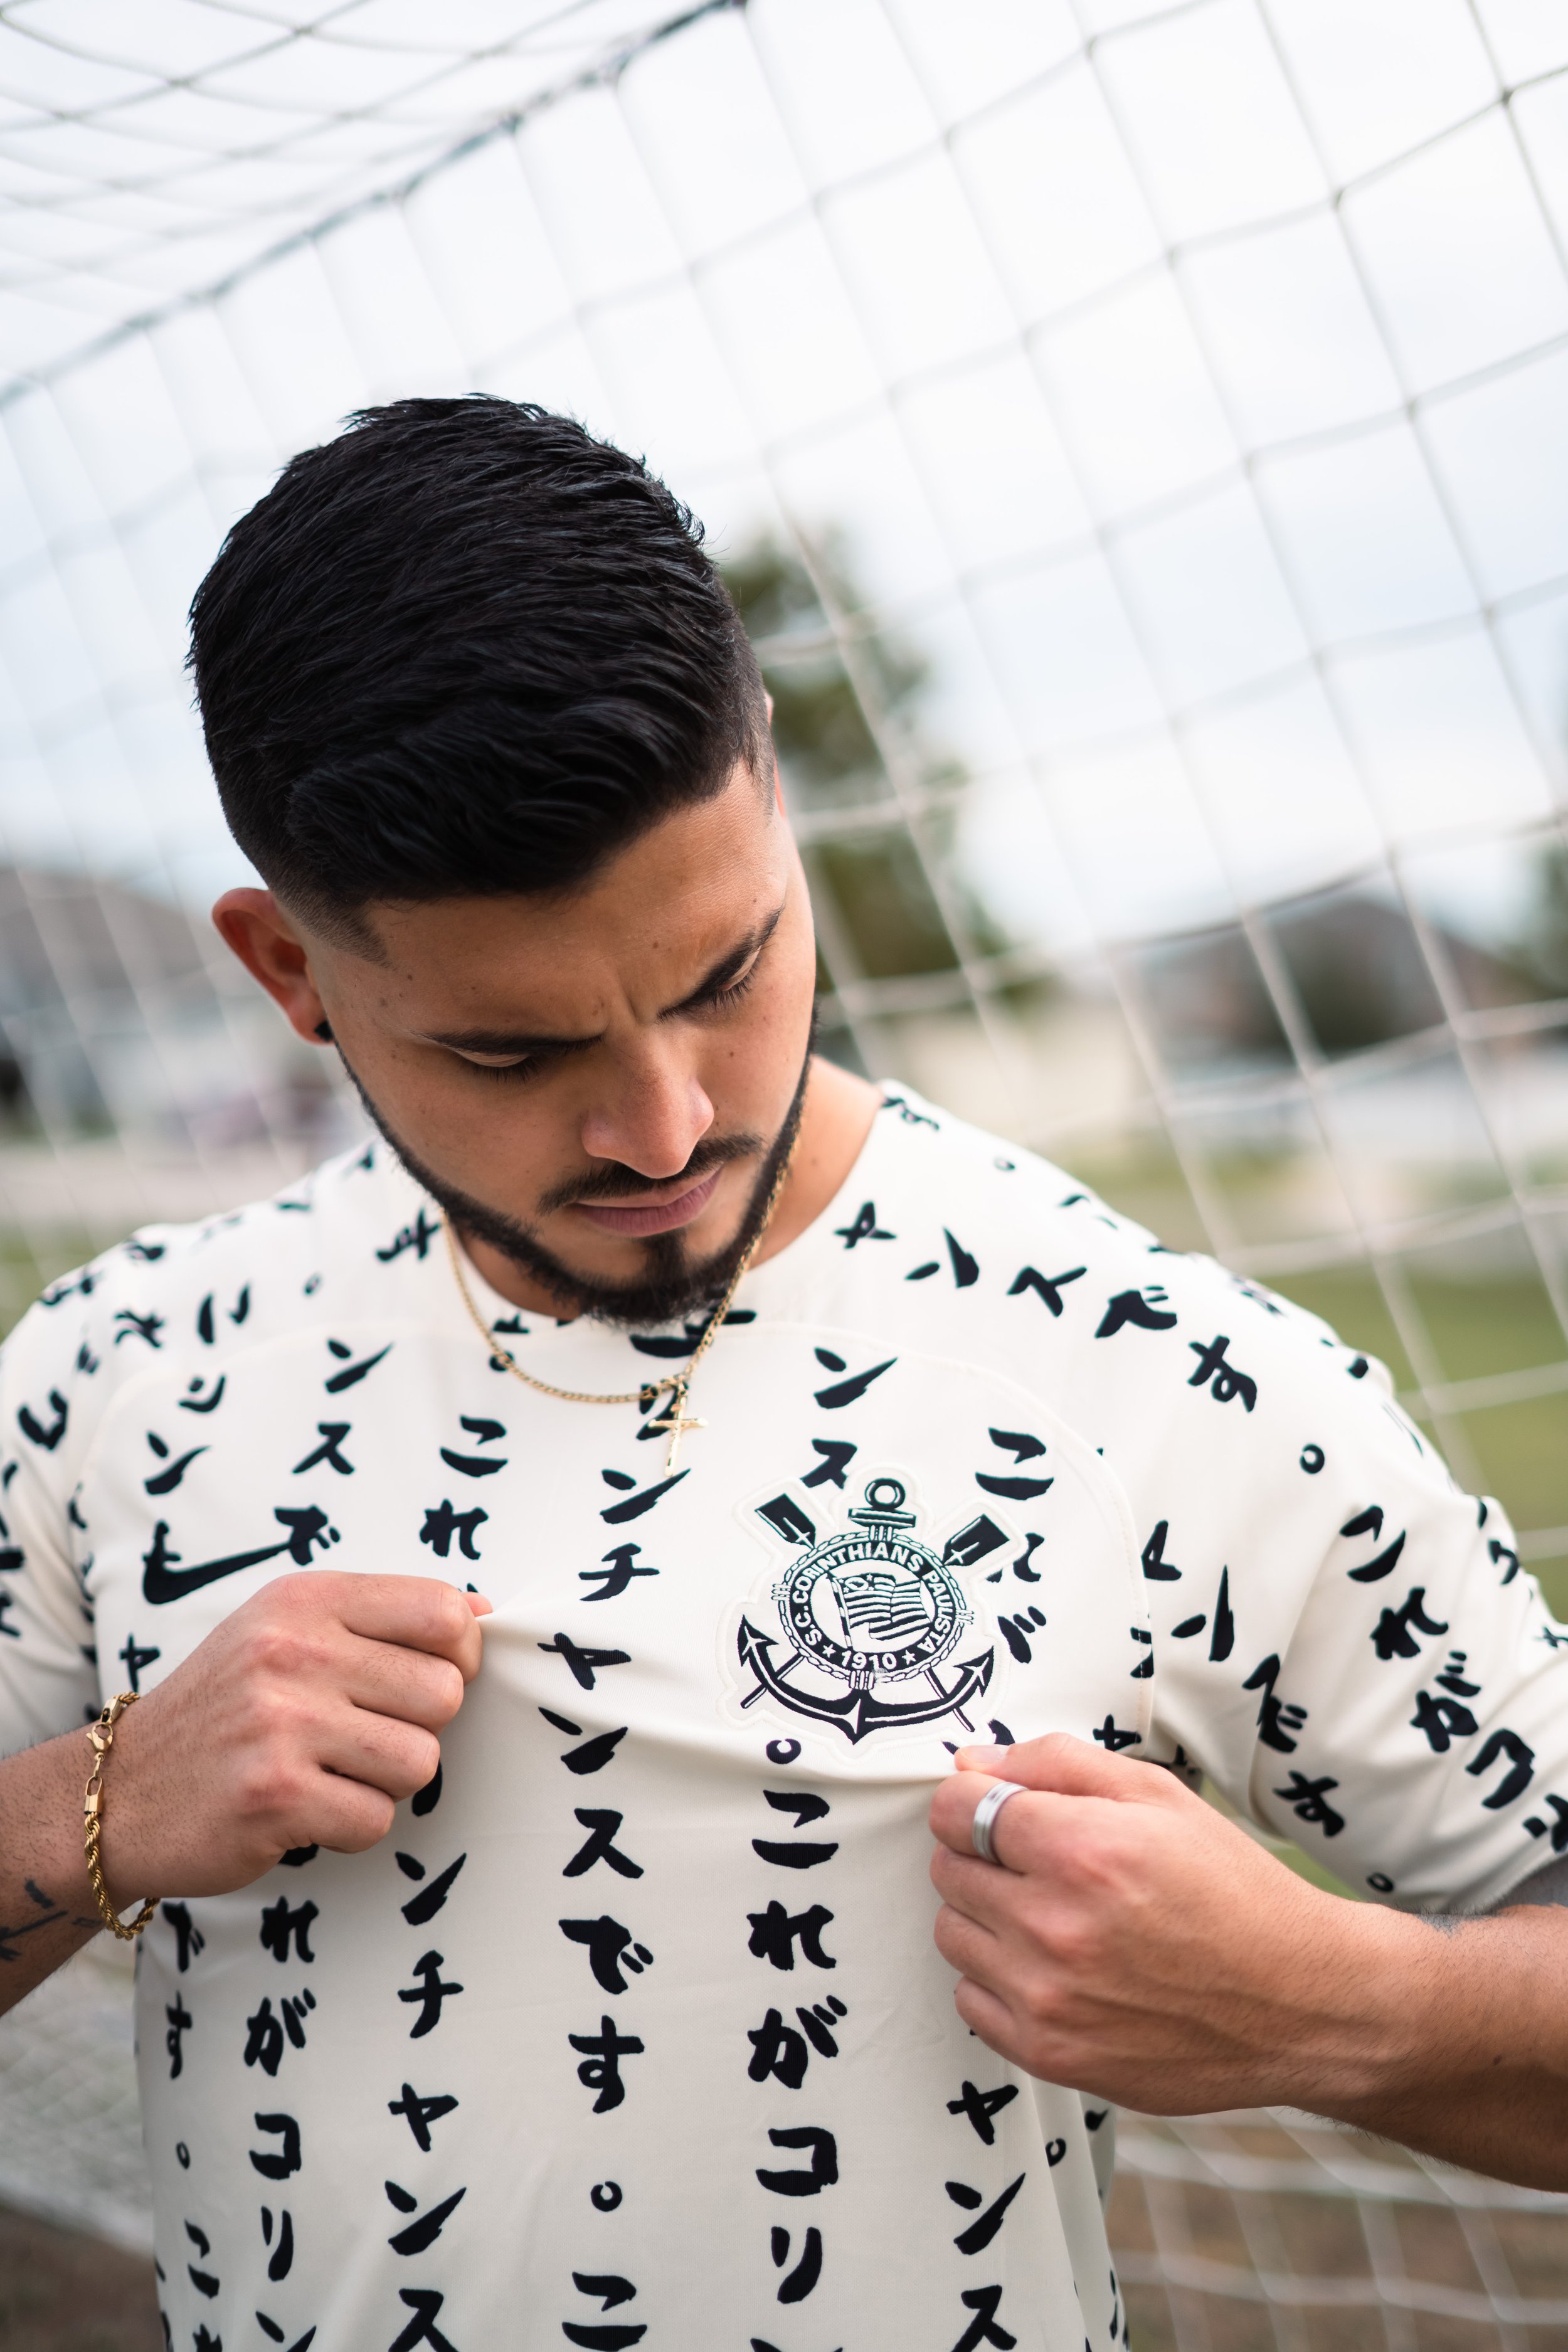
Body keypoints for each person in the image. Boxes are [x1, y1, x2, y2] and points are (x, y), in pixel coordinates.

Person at [0, 398, 1563, 2352]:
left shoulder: (1169, 1384)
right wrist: (86, 1805)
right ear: (287, 972)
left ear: (782, 820)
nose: (664, 1126)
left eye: (727, 972)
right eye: (512, 1054)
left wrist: (1353, 2010)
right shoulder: (115, 1374)